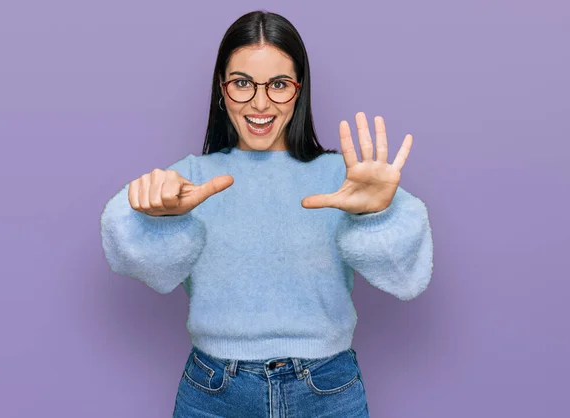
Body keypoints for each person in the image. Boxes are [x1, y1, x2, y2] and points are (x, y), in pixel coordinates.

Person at [100, 10, 433, 418]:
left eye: (278, 85)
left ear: (299, 90)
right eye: (243, 84)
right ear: (222, 91)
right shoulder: (188, 180)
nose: (260, 103)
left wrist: (378, 216)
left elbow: (408, 278)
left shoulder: (345, 179)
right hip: (214, 393)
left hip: (327, 391)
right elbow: (125, 249)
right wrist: (156, 215)